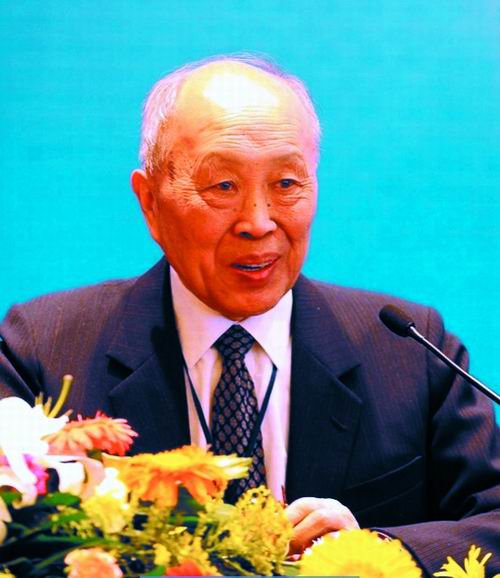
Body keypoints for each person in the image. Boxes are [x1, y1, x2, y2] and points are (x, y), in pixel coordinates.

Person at [0, 56, 498, 576]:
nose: (258, 223)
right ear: (150, 202)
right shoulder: (43, 351)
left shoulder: (409, 351)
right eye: (223, 186)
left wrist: (371, 552)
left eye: (286, 184)